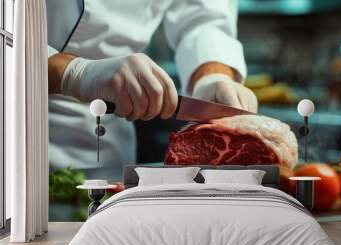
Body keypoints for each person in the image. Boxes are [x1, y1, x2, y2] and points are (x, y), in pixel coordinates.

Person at [47, 0, 258, 171]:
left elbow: (204, 19)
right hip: (20, 126)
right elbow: (12, 32)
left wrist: (212, 77)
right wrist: (73, 73)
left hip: (102, 146)